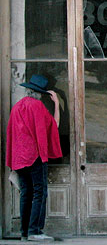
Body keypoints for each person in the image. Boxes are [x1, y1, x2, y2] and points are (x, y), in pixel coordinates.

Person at [6, 74, 62, 242]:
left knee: (26, 192)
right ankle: (35, 231)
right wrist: (57, 104)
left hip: (19, 157)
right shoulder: (37, 106)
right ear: (39, 93)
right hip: (34, 156)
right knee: (39, 192)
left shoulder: (17, 107)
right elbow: (54, 126)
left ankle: (25, 232)